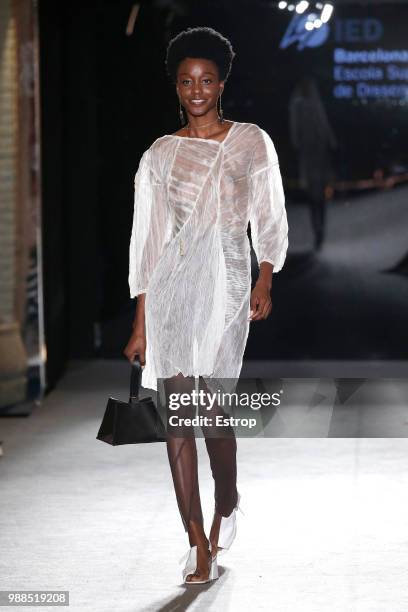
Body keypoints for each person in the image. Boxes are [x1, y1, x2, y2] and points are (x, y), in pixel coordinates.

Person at [123, 26, 289, 584]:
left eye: (207, 80)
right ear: (176, 86)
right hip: (173, 285)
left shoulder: (250, 142)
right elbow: (147, 245)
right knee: (178, 414)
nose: (197, 90)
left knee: (212, 411)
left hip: (229, 277)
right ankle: (196, 539)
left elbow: (268, 216)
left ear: (221, 84)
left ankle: (227, 497)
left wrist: (265, 276)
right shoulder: (159, 156)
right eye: (187, 81)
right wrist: (141, 323)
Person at [289, 76, 337, 250]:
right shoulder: (298, 105)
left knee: (319, 195)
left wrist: (330, 142)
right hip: (309, 153)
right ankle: (317, 229)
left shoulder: (312, 104)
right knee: (314, 195)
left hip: (319, 151)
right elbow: (296, 130)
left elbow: (323, 124)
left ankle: (320, 230)